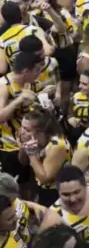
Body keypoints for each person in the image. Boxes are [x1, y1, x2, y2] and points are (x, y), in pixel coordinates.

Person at [40, 165, 89, 247]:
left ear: (85, 186)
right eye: (66, 194)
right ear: (58, 192)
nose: (73, 199)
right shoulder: (53, 218)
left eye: (77, 192)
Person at [0, 51, 41, 179]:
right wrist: (19, 100)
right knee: (16, 185)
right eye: (37, 70)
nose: (39, 73)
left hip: (30, 142)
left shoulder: (28, 82)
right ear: (25, 71)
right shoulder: (4, 86)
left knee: (31, 182)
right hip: (10, 147)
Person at [18, 109, 71, 206]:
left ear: (40, 132)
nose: (22, 132)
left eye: (27, 130)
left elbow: (45, 179)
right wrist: (23, 146)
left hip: (57, 191)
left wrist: (31, 154)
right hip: (39, 186)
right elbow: (23, 162)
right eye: (21, 127)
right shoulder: (34, 140)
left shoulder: (57, 145)